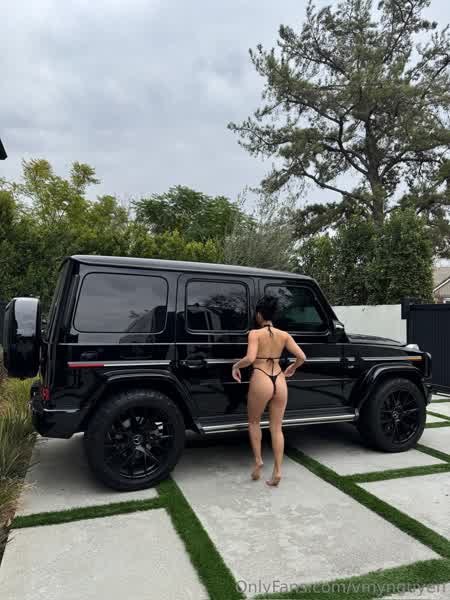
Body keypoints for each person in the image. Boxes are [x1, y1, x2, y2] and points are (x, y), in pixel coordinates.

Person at [232, 295, 306, 486]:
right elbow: (302, 357)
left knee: (254, 422)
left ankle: (258, 462)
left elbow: (250, 359)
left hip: (261, 377)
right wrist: (293, 367)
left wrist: (235, 366)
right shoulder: (284, 335)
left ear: (259, 314)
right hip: (279, 379)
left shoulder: (254, 334)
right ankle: (278, 472)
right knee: (277, 427)